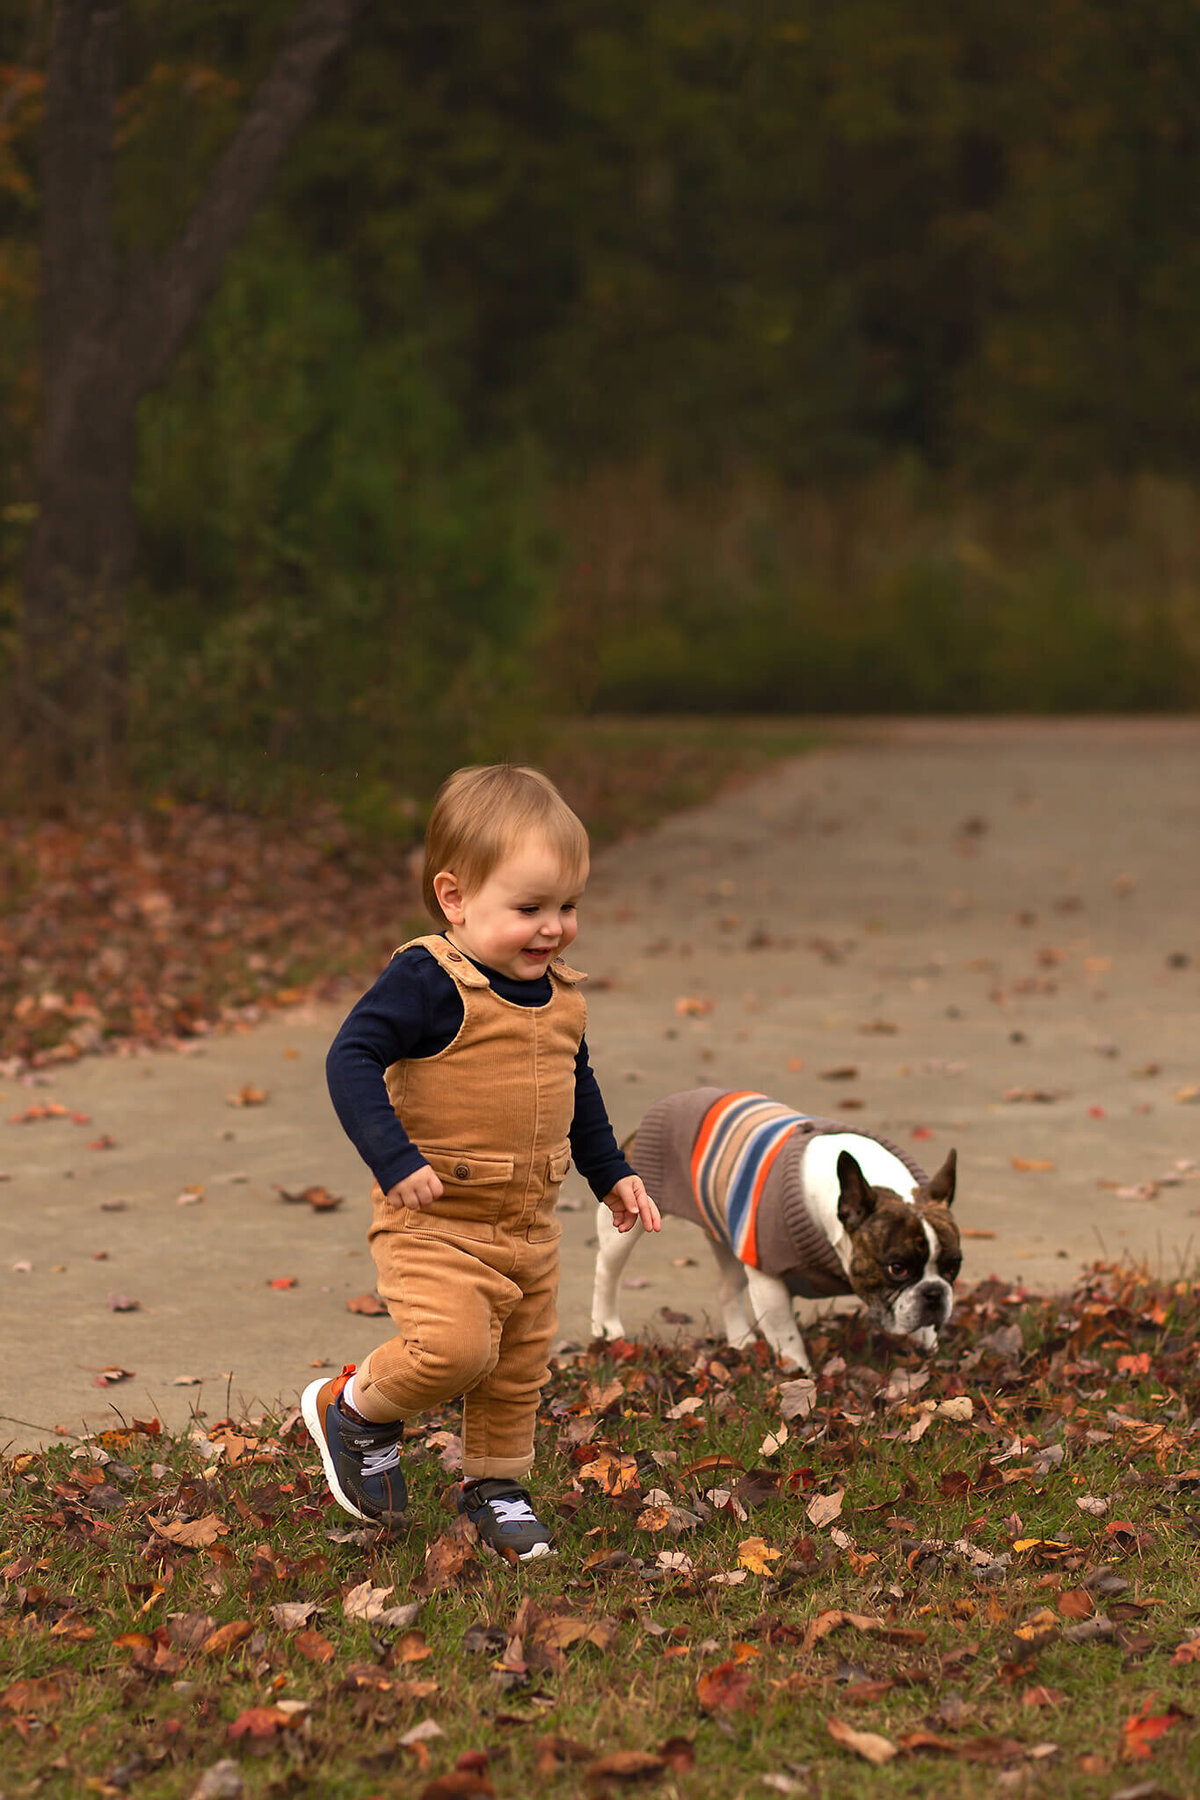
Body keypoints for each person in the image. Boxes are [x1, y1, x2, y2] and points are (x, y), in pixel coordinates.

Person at [303, 764, 660, 1560]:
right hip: (434, 1219)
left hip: (527, 1226)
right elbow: (351, 1056)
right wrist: (391, 1158)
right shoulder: (429, 980)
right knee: (456, 1351)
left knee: (516, 1369)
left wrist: (612, 1173)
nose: (553, 929)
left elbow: (577, 1085)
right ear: (455, 898)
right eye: (529, 908)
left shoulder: (560, 993)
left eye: (568, 907)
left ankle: (495, 1488)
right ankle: (356, 1409)